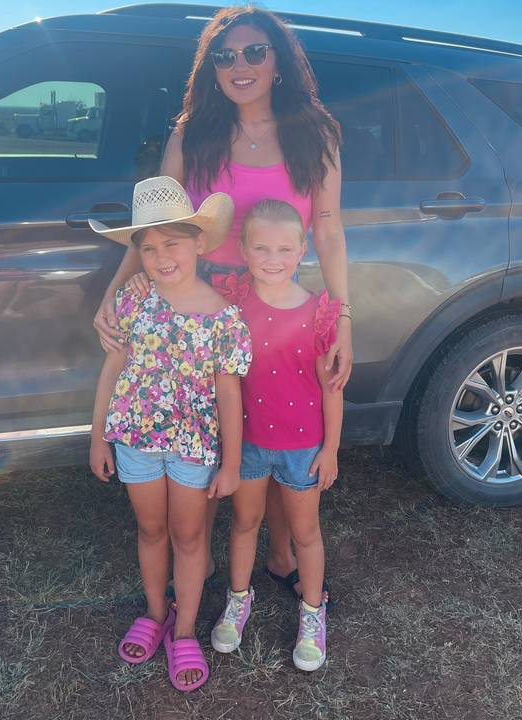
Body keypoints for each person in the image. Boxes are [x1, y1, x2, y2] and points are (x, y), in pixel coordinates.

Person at [93, 6, 353, 605]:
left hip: (279, 302)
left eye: (255, 52)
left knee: (278, 423)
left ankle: (282, 552)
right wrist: (113, 294)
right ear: (210, 67)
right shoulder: (193, 134)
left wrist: (342, 316)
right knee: (214, 426)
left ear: (278, 62)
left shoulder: (315, 133)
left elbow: (330, 229)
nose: (240, 65)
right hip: (206, 300)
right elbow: (158, 226)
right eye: (224, 55)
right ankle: (201, 555)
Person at [88, 176, 252, 692]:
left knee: (189, 535)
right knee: (151, 530)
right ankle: (157, 613)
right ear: (138, 255)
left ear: (199, 243)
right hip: (135, 440)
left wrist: (231, 463)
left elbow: (229, 394)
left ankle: (184, 630)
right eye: (149, 248)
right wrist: (98, 437)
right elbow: (113, 369)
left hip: (193, 447)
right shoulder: (133, 300)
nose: (161, 257)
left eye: (173, 244)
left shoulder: (225, 317)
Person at [210, 199, 343, 672]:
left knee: (305, 533)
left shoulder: (317, 313)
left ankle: (312, 612)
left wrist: (331, 449)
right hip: (247, 442)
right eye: (262, 248)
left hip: (303, 447)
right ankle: (238, 599)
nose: (273, 258)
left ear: (302, 249)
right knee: (244, 522)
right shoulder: (234, 302)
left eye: (285, 248)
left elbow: (331, 388)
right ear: (244, 250)